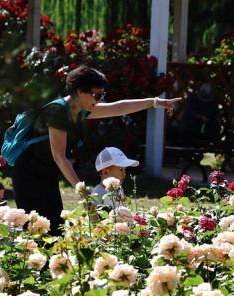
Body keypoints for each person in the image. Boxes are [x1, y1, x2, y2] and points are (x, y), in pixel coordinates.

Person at [11, 65, 180, 235]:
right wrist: (84, 194)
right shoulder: (58, 112)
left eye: (102, 95)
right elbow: (59, 157)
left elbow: (118, 108)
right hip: (28, 174)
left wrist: (155, 102)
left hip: (46, 173)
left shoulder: (80, 110)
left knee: (55, 229)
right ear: (79, 92)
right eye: (96, 95)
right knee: (36, 232)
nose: (99, 100)